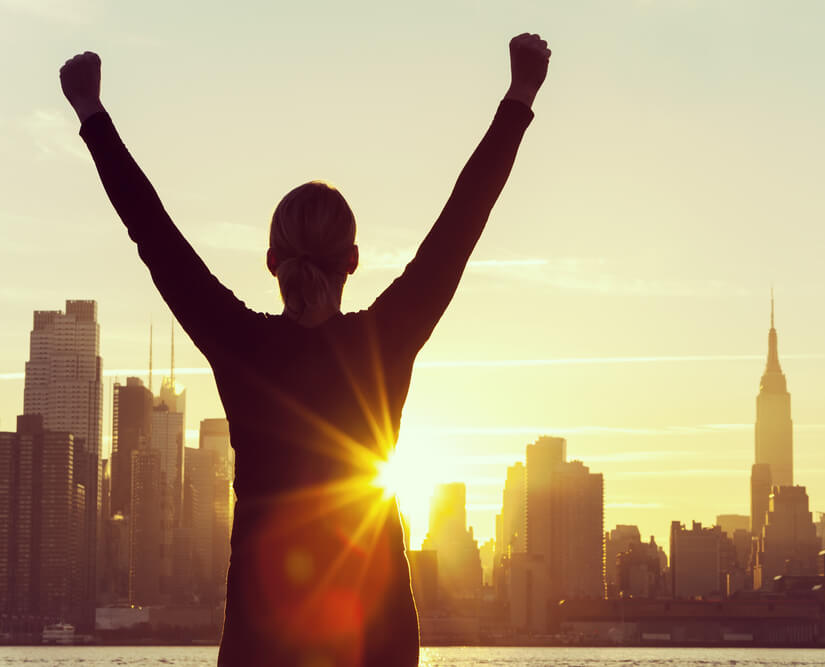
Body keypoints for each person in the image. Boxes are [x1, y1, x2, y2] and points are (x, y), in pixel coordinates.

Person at [61, 33, 550, 667]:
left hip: (262, 645)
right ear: (353, 260)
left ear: (271, 262)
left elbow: (152, 232)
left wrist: (92, 113)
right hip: (377, 644)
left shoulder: (242, 345)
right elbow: (462, 223)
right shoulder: (384, 341)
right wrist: (519, 96)